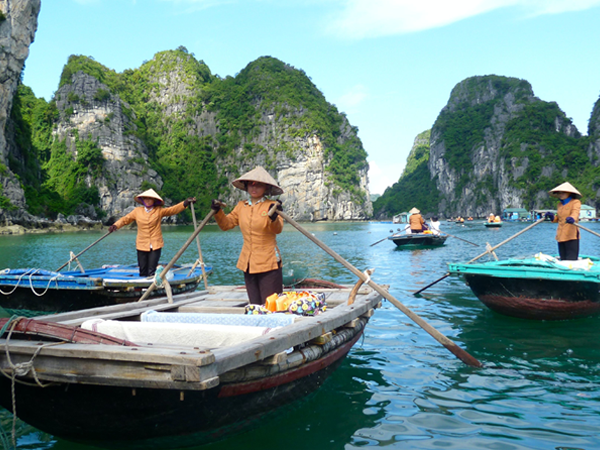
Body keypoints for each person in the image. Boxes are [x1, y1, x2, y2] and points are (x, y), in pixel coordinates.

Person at [211, 166, 284, 305]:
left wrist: (274, 217)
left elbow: (277, 229)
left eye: (259, 185)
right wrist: (218, 212)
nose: (254, 187)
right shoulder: (241, 206)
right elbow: (226, 224)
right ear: (246, 186)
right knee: (255, 305)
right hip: (248, 262)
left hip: (268, 262)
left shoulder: (272, 205)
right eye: (251, 184)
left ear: (266, 188)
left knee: (271, 305)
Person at [108, 188, 196, 277]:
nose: (148, 200)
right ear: (143, 200)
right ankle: (142, 288)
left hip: (155, 244)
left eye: (150, 199)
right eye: (146, 198)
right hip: (141, 244)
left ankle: (152, 287)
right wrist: (115, 225)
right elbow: (125, 219)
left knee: (151, 270)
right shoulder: (137, 211)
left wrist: (185, 203)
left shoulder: (159, 210)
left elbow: (172, 210)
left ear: (154, 200)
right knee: (142, 270)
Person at [545, 182, 582, 261]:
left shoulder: (575, 202)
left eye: (563, 192)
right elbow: (558, 218)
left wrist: (572, 218)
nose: (561, 194)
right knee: (563, 259)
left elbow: (575, 213)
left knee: (571, 260)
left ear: (569, 193)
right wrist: (552, 217)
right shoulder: (560, 205)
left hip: (571, 235)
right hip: (561, 235)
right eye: (559, 193)